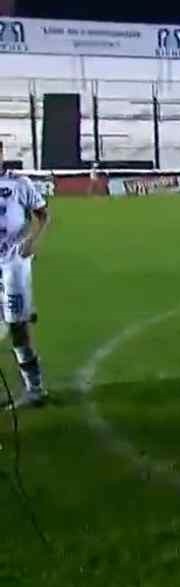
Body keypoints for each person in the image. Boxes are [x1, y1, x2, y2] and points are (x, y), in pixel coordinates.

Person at [0, 141, 51, 408]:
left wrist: (34, 241)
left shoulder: (20, 185)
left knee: (17, 327)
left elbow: (43, 215)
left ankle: (35, 389)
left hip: (13, 265)